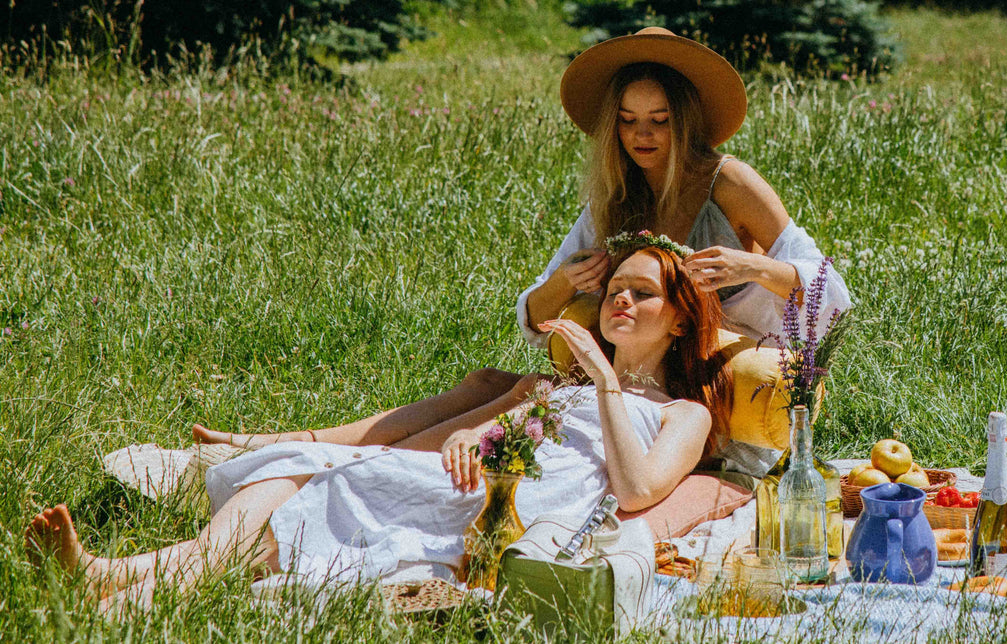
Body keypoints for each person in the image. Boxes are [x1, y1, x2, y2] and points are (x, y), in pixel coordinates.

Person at [195, 27, 849, 476]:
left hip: (716, 398)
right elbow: (536, 316)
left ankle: (351, 464)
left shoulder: (728, 182)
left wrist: (753, 267)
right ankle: (298, 446)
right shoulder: (616, 197)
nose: (642, 136)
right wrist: (568, 281)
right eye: (627, 120)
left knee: (526, 392)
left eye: (659, 121)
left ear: (684, 121)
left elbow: (831, 293)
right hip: (635, 378)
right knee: (489, 383)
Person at [26, 239, 728, 611]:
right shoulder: (558, 387)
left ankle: (122, 585)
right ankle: (120, 581)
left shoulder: (683, 413)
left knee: (321, 494)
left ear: (679, 319)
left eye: (643, 293)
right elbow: (494, 431)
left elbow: (637, 490)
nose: (620, 301)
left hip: (515, 511)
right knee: (298, 472)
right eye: (615, 290)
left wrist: (605, 381)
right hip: (466, 481)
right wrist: (468, 437)